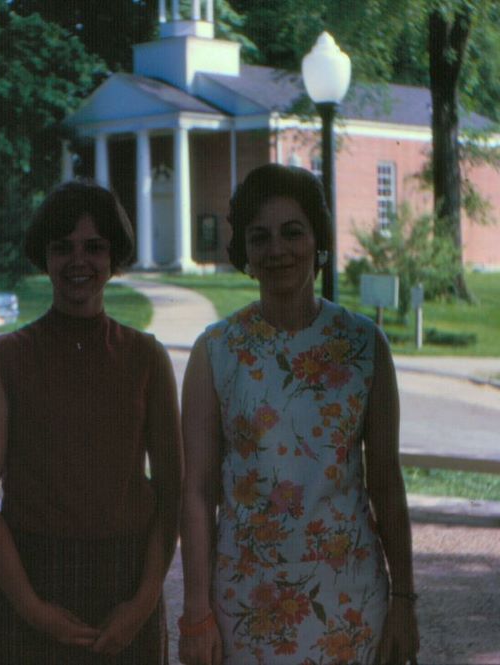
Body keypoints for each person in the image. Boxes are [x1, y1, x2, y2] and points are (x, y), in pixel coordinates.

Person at [179, 164, 419, 665]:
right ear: (245, 252)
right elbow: (197, 492)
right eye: (260, 237)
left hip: (349, 604)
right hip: (246, 607)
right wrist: (196, 613)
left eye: (292, 232)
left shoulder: (364, 346)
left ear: (317, 240)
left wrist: (404, 600)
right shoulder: (215, 352)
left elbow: (387, 482)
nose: (277, 250)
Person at [0, 179, 183, 664]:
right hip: (29, 579)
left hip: (125, 587)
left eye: (94, 247)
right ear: (45, 257)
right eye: (62, 247)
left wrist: (143, 602)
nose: (78, 261)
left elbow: (173, 494)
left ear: (113, 257)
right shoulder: (6, 358)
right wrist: (30, 606)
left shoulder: (147, 358)